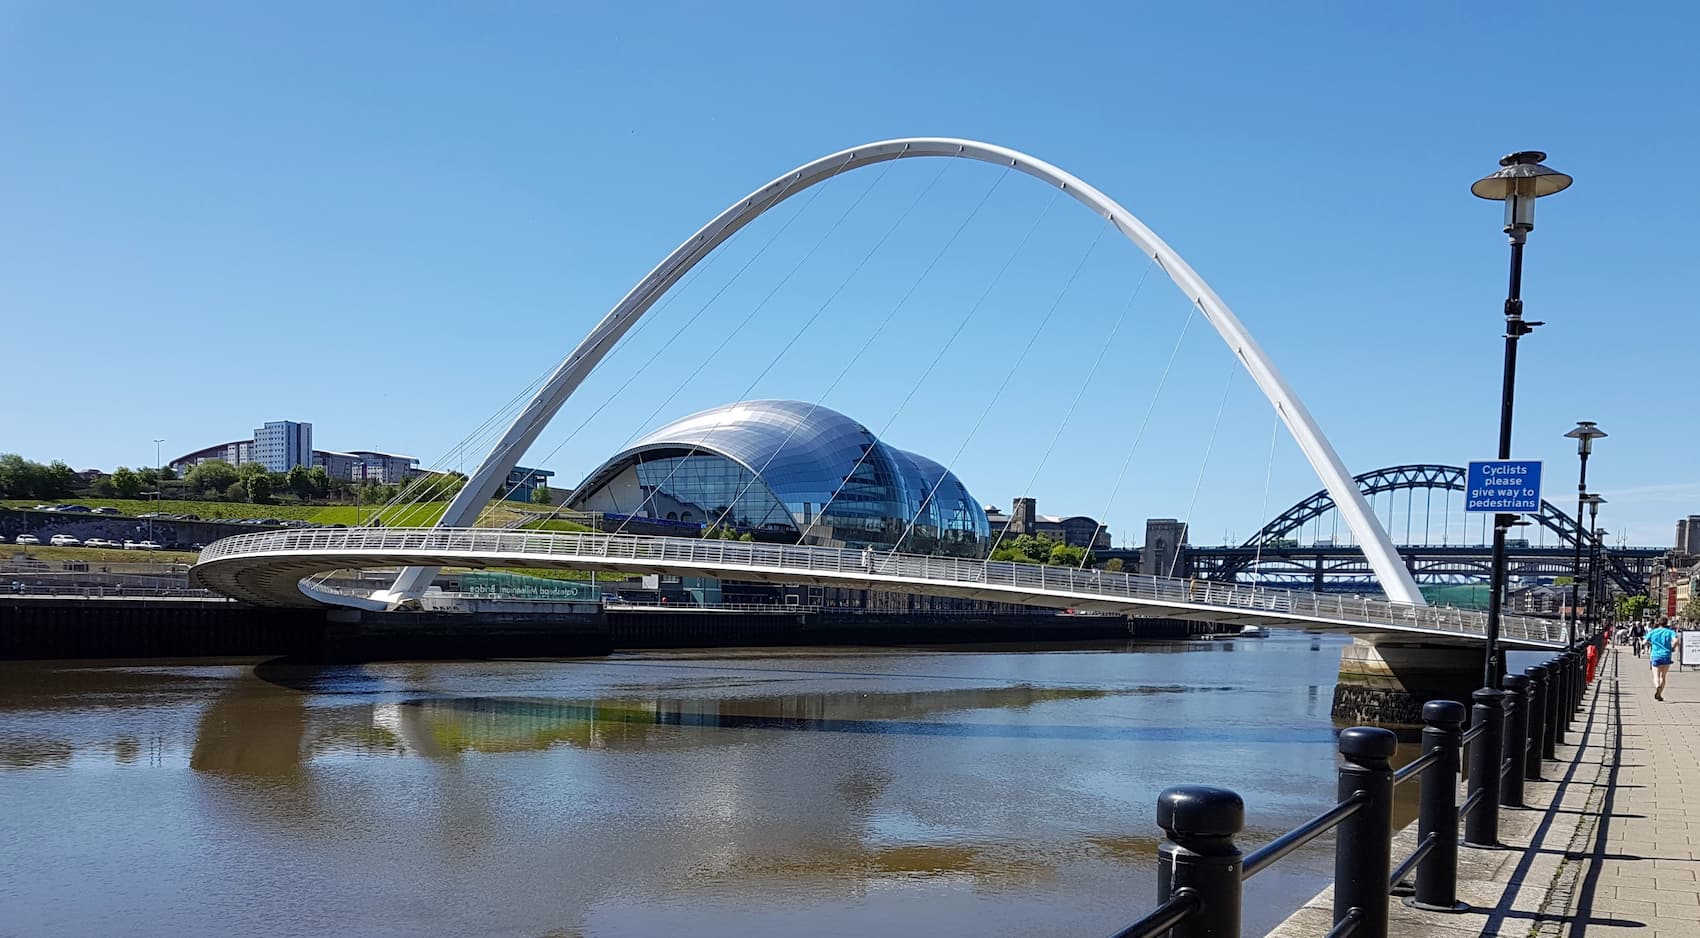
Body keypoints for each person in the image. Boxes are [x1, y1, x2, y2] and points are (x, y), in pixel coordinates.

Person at [1646, 618, 1681, 701]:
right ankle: (1660, 693)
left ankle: (1657, 686)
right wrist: (1673, 648)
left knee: (1656, 675)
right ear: (1667, 623)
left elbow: (1644, 642)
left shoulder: (1653, 632)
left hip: (1655, 655)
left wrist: (1650, 644)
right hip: (1666, 655)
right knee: (1663, 676)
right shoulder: (1670, 632)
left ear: (1659, 623)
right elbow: (1676, 641)